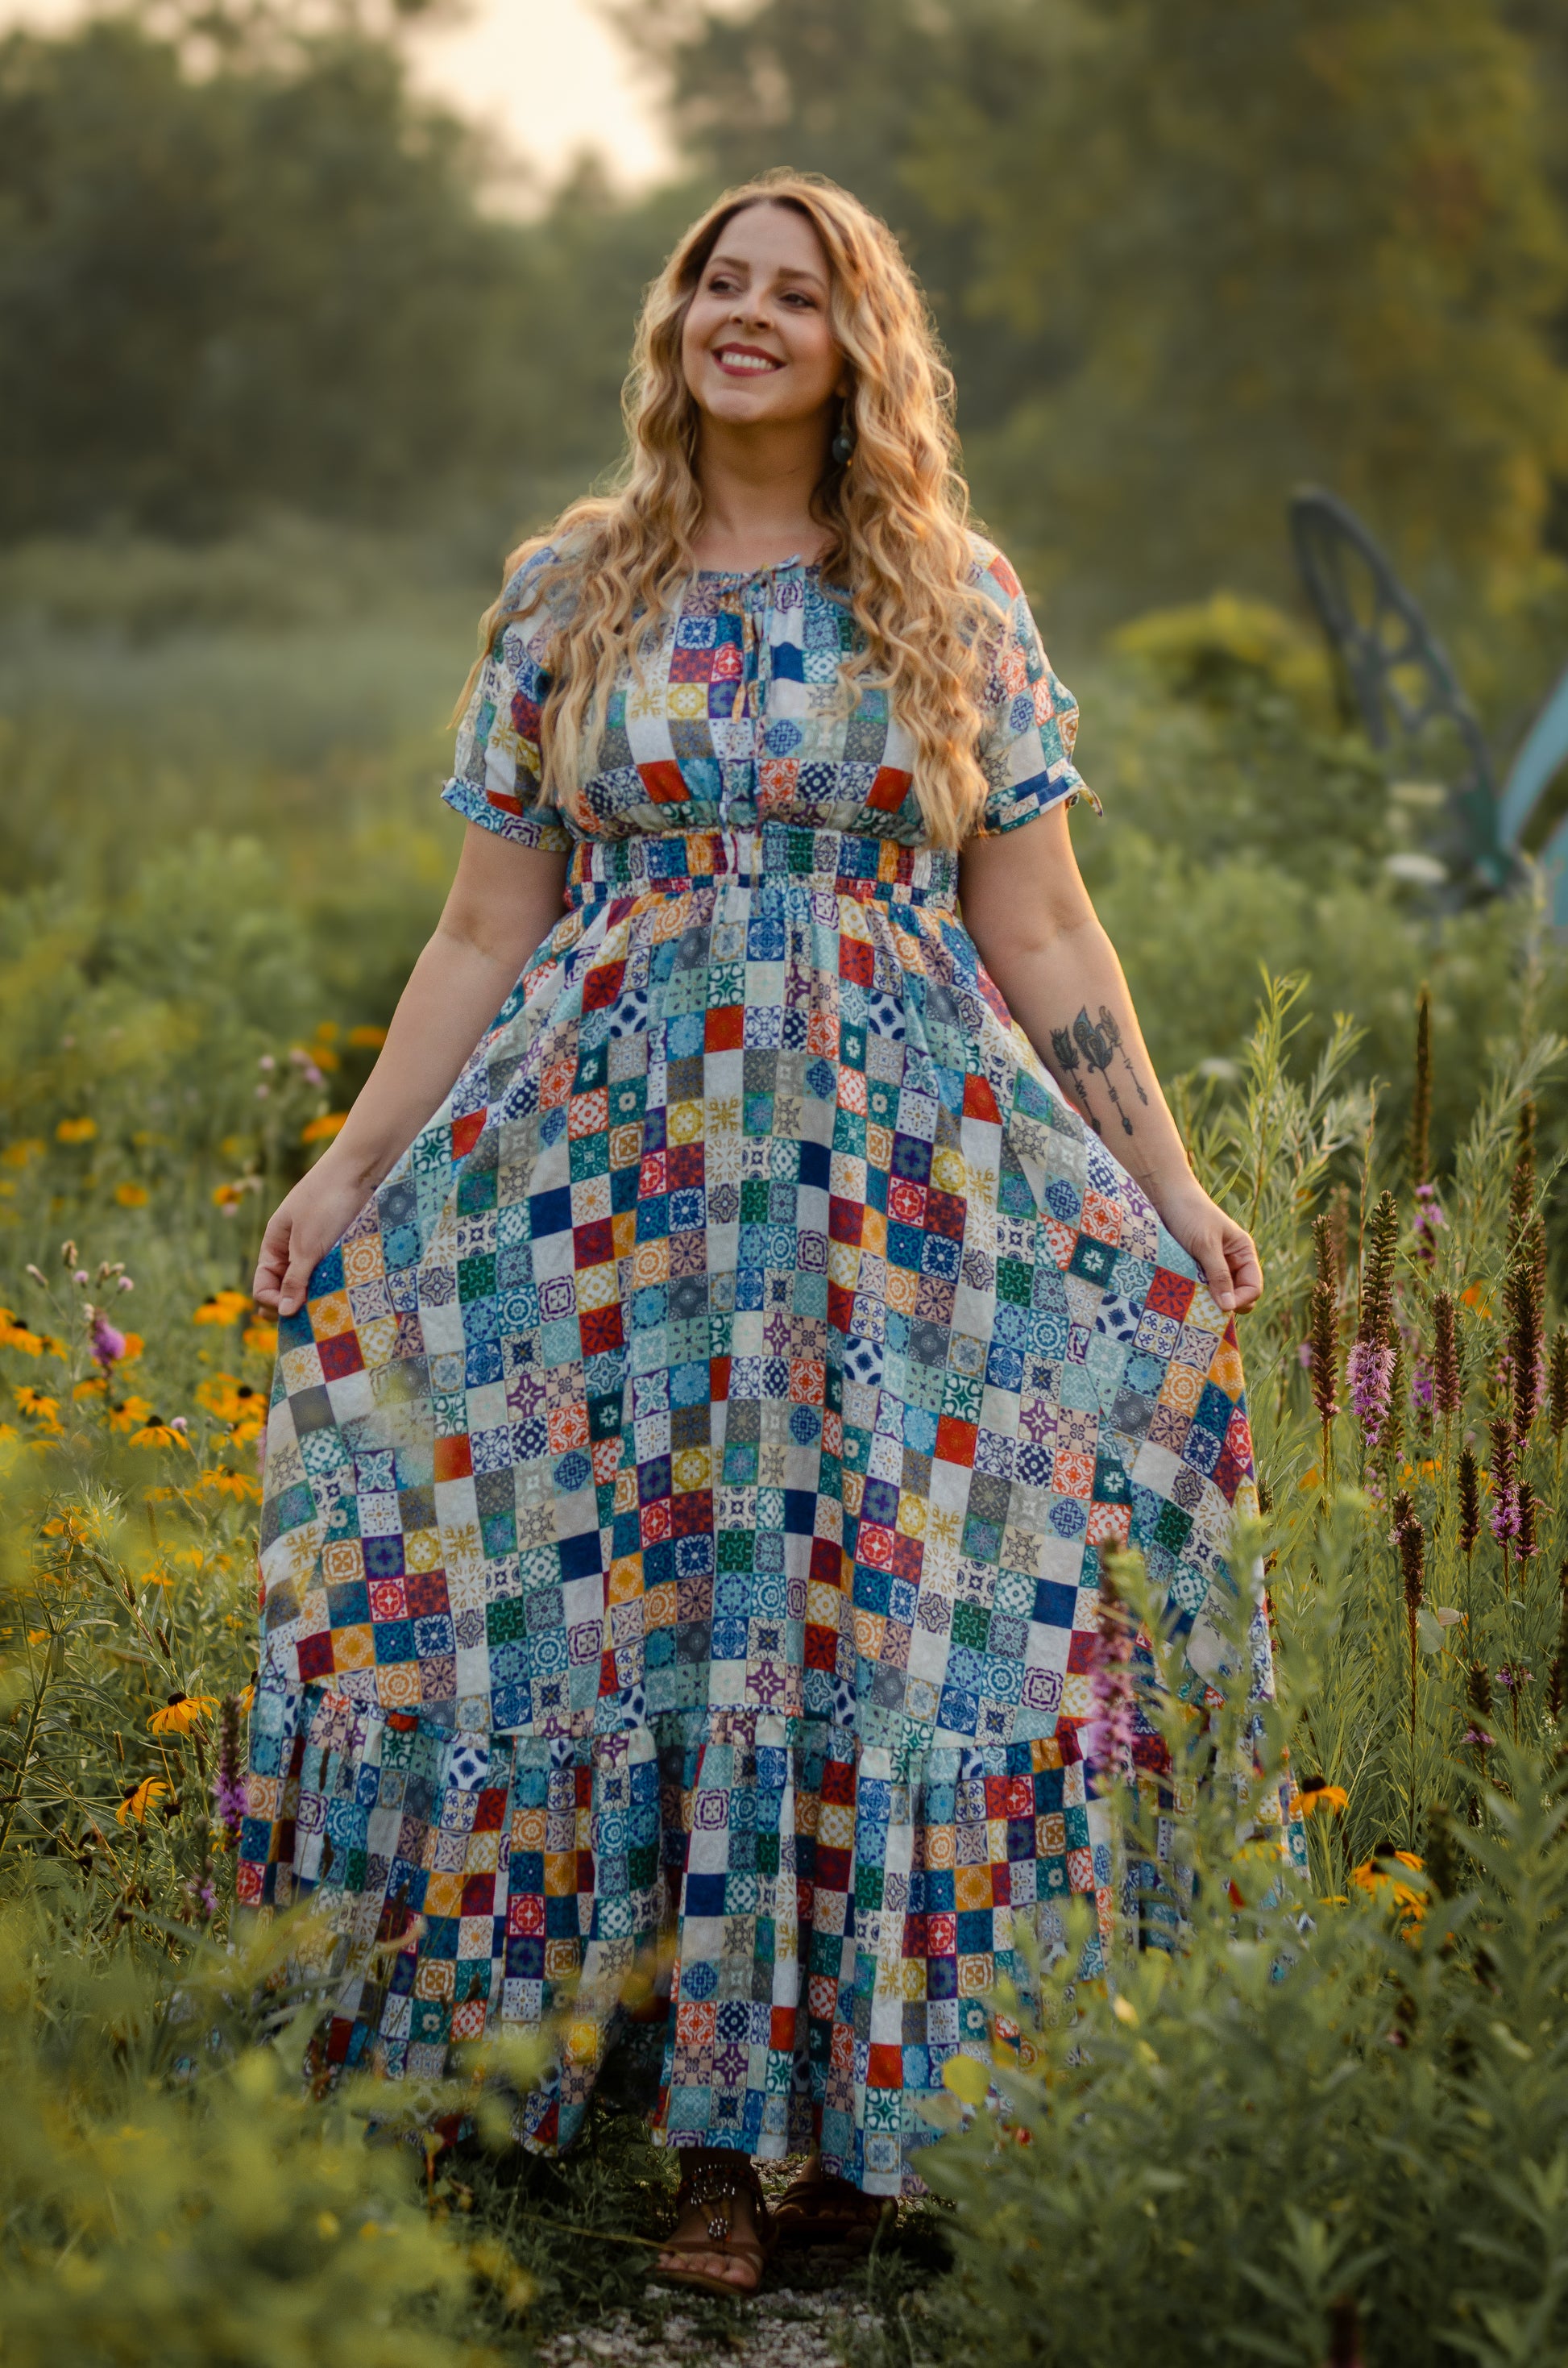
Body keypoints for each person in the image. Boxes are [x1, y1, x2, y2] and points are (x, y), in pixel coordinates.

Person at [240, 170, 1268, 2298]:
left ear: (853, 343)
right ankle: (695, 2151)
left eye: (796, 292)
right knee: (643, 1610)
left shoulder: (951, 594)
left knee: (877, 1612)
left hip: (904, 1188)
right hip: (611, 1202)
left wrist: (1163, 1181)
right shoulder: (566, 589)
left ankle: (863, 2148)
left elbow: (1043, 913)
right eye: (722, 278)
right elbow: (479, 919)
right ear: (675, 317)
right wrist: (348, 1166)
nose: (749, 313)